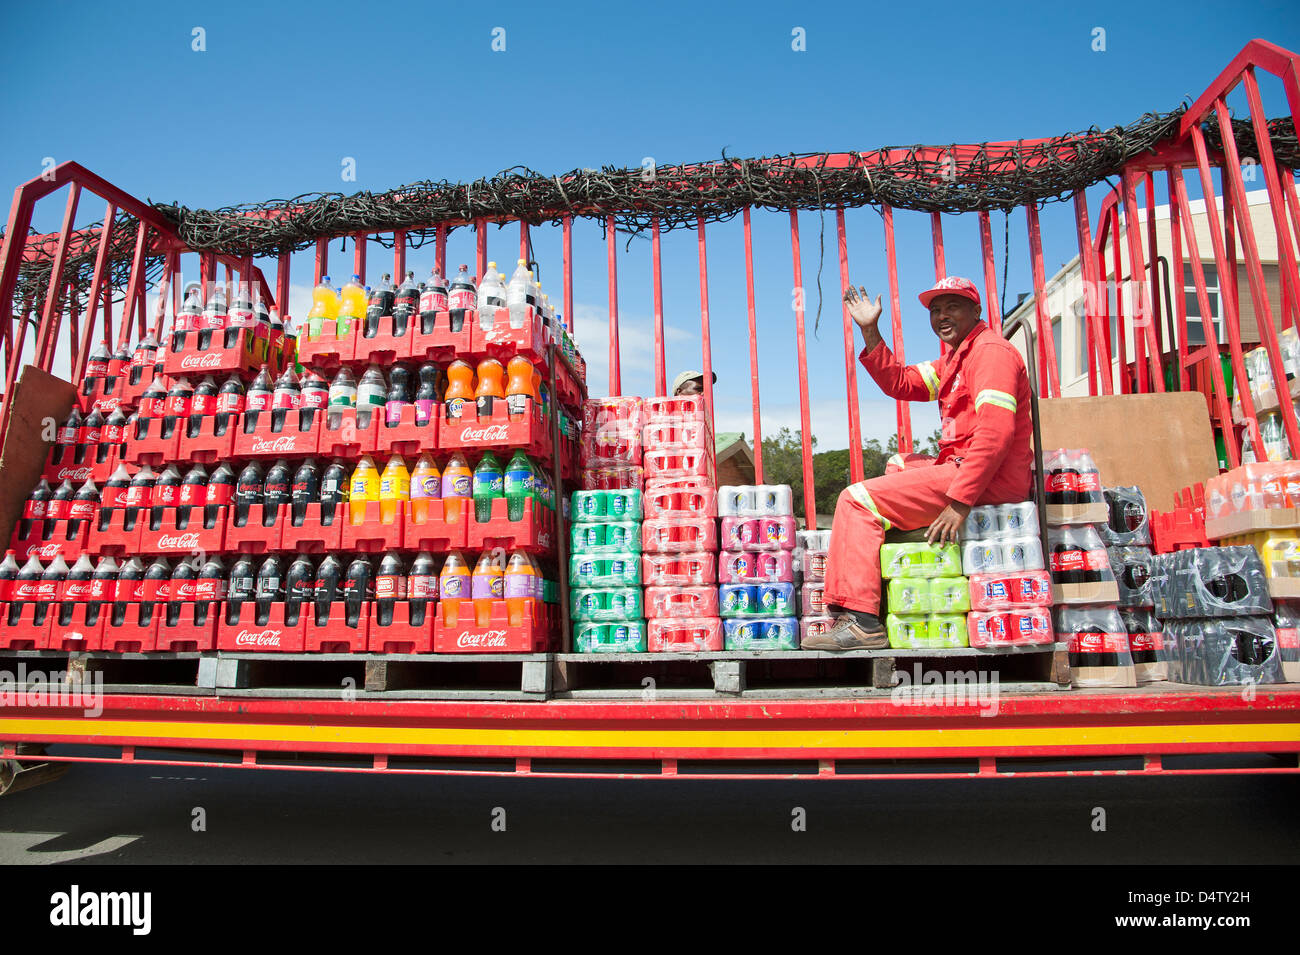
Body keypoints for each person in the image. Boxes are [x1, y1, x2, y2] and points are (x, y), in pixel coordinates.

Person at [802, 276, 1034, 651]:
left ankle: (861, 621)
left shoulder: (990, 353)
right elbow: (902, 382)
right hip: (964, 467)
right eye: (936, 309)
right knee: (898, 464)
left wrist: (959, 503)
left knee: (857, 500)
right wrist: (870, 331)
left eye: (953, 307)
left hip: (988, 475)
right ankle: (890, 571)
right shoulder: (955, 359)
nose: (943, 316)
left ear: (976, 311)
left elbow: (995, 433)